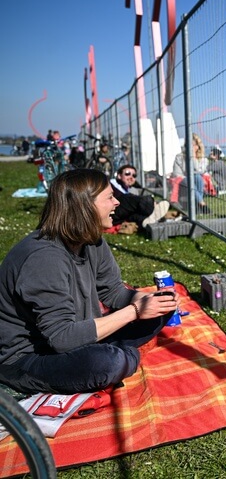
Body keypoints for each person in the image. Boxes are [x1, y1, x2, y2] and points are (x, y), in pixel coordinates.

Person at [0, 169, 179, 395]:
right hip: (29, 357)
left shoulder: (92, 240)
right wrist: (134, 311)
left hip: (78, 334)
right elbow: (61, 338)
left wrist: (148, 300)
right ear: (84, 206)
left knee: (161, 309)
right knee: (106, 364)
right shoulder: (43, 258)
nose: (117, 203)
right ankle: (119, 355)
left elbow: (113, 292)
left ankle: (117, 352)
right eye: (109, 197)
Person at [111, 164, 170, 229]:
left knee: (134, 215)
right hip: (111, 212)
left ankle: (145, 222)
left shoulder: (131, 189)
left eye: (134, 175)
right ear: (119, 176)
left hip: (120, 218)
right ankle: (153, 209)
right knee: (130, 198)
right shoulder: (111, 185)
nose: (131, 177)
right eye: (127, 173)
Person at [171, 133, 210, 213]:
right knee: (190, 179)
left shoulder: (203, 159)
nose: (190, 148)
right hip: (183, 180)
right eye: (188, 145)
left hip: (196, 180)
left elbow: (199, 171)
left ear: (197, 146)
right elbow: (177, 174)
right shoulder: (179, 157)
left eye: (193, 145)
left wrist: (193, 158)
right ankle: (201, 203)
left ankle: (197, 206)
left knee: (197, 177)